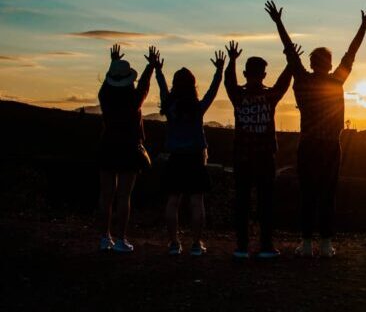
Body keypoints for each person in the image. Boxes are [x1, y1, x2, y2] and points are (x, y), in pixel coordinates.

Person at [265, 0, 366, 257]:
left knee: (307, 194)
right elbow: (351, 53)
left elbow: (290, 52)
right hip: (330, 145)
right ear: (328, 64)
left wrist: (278, 22)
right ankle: (326, 244)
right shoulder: (337, 80)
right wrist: (363, 25)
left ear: (312, 62)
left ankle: (306, 243)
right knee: (328, 194)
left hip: (308, 144)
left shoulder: (303, 80)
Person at [224, 40, 297, 259]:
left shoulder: (238, 96)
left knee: (242, 202)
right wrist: (290, 63)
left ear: (245, 73)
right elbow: (284, 83)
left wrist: (232, 61)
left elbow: (228, 81)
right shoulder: (269, 96)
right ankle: (265, 245)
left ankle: (242, 246)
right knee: (265, 202)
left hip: (242, 157)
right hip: (265, 157)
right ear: (264, 74)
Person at [157, 49, 225, 256]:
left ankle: (174, 243)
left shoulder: (170, 106)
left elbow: (161, 88)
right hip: (196, 158)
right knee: (197, 202)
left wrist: (157, 70)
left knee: (173, 201)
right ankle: (196, 244)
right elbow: (213, 91)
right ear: (193, 85)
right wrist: (219, 71)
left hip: (176, 157)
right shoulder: (197, 107)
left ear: (175, 85)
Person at [97, 44, 158, 253]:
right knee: (124, 196)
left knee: (106, 195)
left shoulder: (104, 96)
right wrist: (151, 66)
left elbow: (108, 84)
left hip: (108, 145)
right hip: (129, 148)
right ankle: (121, 238)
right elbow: (144, 86)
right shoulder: (134, 100)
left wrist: (113, 63)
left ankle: (105, 237)